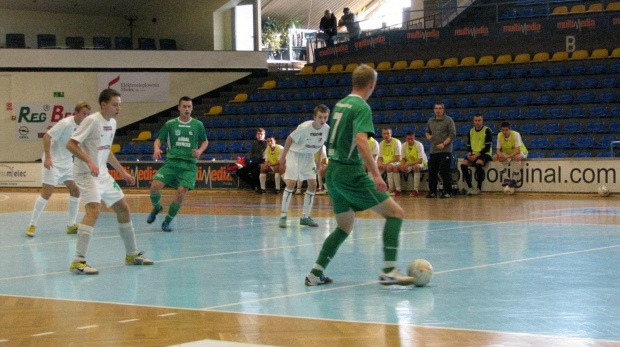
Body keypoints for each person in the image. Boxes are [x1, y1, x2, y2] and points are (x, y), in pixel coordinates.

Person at [304, 64, 414, 287]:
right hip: (350, 172)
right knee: (396, 213)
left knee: (344, 226)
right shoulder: (362, 107)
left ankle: (316, 272)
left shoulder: (340, 104)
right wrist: (376, 174)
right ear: (372, 84)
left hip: (333, 173)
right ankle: (389, 270)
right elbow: (362, 142)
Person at [66, 88, 153, 275]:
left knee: (123, 208)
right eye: (115, 104)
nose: (118, 108)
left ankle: (131, 255)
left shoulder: (112, 123)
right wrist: (89, 161)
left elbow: (106, 150)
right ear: (103, 105)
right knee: (94, 210)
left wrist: (122, 172)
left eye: (119, 104)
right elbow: (71, 144)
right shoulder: (91, 121)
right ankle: (78, 261)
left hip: (102, 173)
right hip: (86, 173)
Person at [25, 102, 91, 237]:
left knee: (75, 191)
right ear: (76, 113)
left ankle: (71, 225)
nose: (86, 116)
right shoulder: (65, 123)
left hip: (67, 163)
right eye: (84, 113)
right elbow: (46, 136)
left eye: (88, 114)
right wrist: (48, 157)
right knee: (47, 193)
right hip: (53, 162)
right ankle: (32, 224)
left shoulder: (84, 127)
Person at [147, 96, 208, 232]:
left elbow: (205, 141)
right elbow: (158, 139)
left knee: (181, 192)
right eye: (184, 106)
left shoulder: (198, 125)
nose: (187, 109)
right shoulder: (170, 124)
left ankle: (167, 221)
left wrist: (199, 150)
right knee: (154, 186)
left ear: (192, 108)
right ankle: (157, 207)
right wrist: (157, 148)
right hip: (172, 163)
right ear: (179, 108)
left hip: (188, 165)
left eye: (189, 106)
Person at [278, 104, 330, 228]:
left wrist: (318, 161)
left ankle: (305, 217)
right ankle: (283, 216)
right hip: (295, 154)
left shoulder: (326, 129)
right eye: (320, 117)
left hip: (309, 157)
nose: (322, 120)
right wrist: (283, 157)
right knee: (291, 183)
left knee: (313, 184)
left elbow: (321, 143)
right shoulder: (304, 127)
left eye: (325, 117)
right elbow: (289, 138)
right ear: (314, 117)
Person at [425, 103, 456, 199]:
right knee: (432, 171)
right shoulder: (431, 120)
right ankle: (432, 191)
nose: (438, 110)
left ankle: (447, 191)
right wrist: (428, 136)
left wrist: (444, 144)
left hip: (445, 150)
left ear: (443, 109)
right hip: (434, 150)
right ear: (434, 110)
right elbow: (427, 132)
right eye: (436, 108)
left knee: (444, 171)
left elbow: (452, 134)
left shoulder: (448, 120)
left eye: (440, 108)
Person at [461, 114, 493, 195]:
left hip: (485, 153)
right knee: (463, 165)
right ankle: (470, 187)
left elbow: (487, 147)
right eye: (476, 120)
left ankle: (479, 188)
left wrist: (476, 155)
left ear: (482, 121)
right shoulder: (471, 131)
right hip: (473, 153)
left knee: (478, 164)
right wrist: (469, 154)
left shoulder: (487, 131)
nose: (477, 122)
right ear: (473, 121)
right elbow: (469, 145)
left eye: (479, 120)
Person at [494, 122, 528, 189]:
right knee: (495, 157)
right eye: (503, 130)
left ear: (510, 129)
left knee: (517, 157)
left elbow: (518, 150)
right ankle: (506, 178)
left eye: (506, 130)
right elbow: (498, 149)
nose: (504, 132)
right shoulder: (499, 135)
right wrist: (500, 155)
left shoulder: (515, 134)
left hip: (521, 152)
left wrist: (506, 157)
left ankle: (514, 179)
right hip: (508, 153)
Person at [397, 131, 428, 197]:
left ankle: (415, 190)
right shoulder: (404, 145)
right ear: (406, 139)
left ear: (414, 138)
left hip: (422, 163)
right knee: (397, 167)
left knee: (416, 167)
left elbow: (420, 161)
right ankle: (397, 190)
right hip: (411, 163)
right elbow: (402, 158)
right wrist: (402, 165)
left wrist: (407, 165)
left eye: (412, 139)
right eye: (408, 139)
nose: (410, 140)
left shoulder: (419, 145)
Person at [377, 127, 402, 196]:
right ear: (382, 134)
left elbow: (398, 158)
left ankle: (392, 189)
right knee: (373, 167)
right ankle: (375, 189)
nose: (386, 135)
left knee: (389, 167)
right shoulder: (381, 143)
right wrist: (379, 163)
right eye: (384, 134)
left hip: (396, 162)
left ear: (391, 134)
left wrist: (387, 164)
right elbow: (380, 157)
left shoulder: (396, 142)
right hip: (385, 163)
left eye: (388, 133)